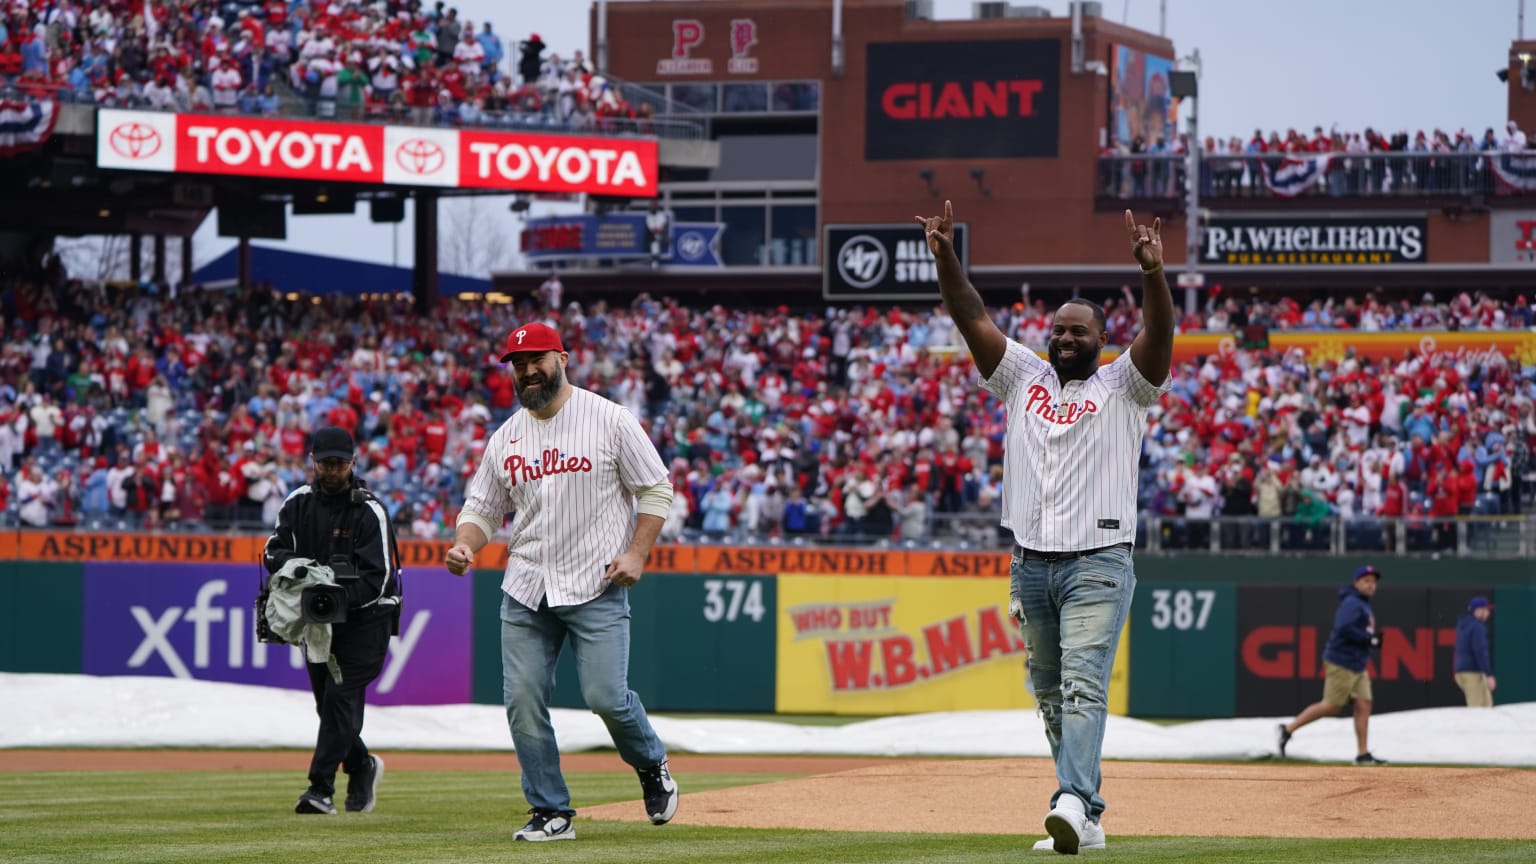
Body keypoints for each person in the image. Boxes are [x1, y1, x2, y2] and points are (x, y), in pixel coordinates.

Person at [916, 202, 1173, 855]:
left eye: (1078, 331)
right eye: (1057, 328)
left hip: (1097, 561)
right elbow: (970, 312)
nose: (1063, 337)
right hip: (1030, 562)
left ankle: (1072, 801)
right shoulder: (1021, 375)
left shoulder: (1126, 384)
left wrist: (1152, 275)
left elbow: (1160, 335)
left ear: (1101, 339)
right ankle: (1085, 814)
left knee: (1084, 684)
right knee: (1053, 697)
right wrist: (945, 255)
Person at [443, 322, 679, 842]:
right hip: (526, 586)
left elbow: (657, 490)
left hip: (596, 582)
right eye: (519, 363)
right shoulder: (505, 437)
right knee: (523, 700)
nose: (528, 371)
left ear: (563, 359)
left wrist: (637, 553)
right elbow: (481, 509)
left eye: (538, 360)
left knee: (606, 699)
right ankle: (550, 810)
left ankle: (650, 762)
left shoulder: (610, 419)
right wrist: (465, 544)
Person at [263, 426, 401, 815]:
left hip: (367, 618)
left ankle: (319, 789)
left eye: (340, 464)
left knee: (340, 698)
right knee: (329, 705)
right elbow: (273, 552)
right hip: (317, 618)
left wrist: (337, 596)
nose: (332, 471)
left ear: (353, 463)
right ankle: (361, 765)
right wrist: (305, 576)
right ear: (313, 462)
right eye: (326, 463)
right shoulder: (297, 503)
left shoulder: (369, 509)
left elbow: (381, 578)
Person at [1276, 564, 1387, 765]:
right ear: (1356, 582)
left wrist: (1368, 640)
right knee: (1331, 706)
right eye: (1366, 581)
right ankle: (1287, 729)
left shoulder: (1362, 603)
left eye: (1373, 582)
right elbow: (1343, 627)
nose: (1371, 585)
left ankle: (1362, 754)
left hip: (1357, 663)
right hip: (1342, 660)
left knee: (1363, 704)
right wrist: (1368, 639)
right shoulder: (1352, 602)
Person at [1453, 595, 1496, 707]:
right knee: (1476, 713)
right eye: (1486, 609)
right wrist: (1488, 674)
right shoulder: (1477, 627)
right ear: (1478, 611)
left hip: (1463, 672)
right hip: (1473, 673)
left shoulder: (1464, 624)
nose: (1488, 613)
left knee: (1486, 707)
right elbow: (1480, 652)